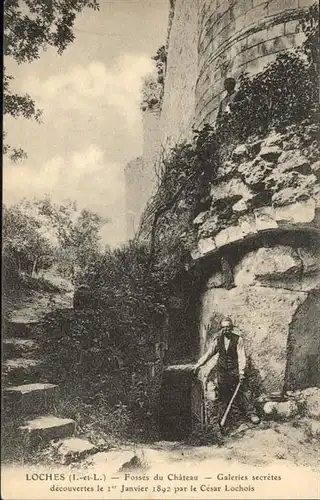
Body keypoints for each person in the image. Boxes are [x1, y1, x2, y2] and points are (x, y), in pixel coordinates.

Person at [194, 317, 260, 427]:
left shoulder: (238, 340)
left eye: (228, 328)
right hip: (222, 371)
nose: (226, 330)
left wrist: (242, 372)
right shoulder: (217, 340)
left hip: (234, 370)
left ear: (232, 328)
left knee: (244, 392)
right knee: (223, 395)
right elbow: (208, 354)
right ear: (221, 328)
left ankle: (251, 414)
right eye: (224, 328)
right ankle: (222, 419)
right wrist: (198, 364)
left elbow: (241, 357)